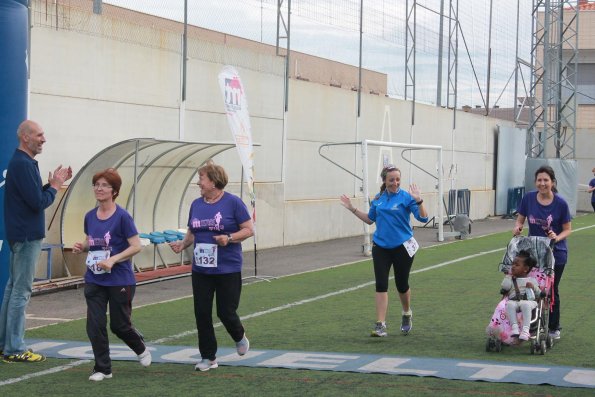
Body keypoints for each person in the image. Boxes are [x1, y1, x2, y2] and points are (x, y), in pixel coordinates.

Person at [169, 160, 254, 371]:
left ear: (214, 182)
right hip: (201, 269)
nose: (198, 183)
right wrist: (182, 244)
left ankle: (239, 336)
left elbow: (249, 230)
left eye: (201, 179)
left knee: (226, 312)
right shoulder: (196, 205)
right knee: (202, 312)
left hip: (228, 268)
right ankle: (208, 357)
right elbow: (192, 230)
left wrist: (229, 238)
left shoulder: (233, 203)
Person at [0, 120, 72, 363]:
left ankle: (6, 344)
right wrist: (54, 187)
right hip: (27, 236)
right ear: (26, 138)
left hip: (20, 234)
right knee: (21, 291)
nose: (44, 139)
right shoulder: (22, 163)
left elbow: (31, 196)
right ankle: (14, 348)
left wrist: (49, 186)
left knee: (13, 289)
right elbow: (38, 203)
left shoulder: (22, 163)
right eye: (39, 135)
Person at [72, 168, 151, 381]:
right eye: (96, 184)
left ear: (114, 191)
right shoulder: (90, 216)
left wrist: (113, 259)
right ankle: (102, 368)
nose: (99, 188)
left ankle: (139, 346)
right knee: (95, 325)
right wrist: (84, 246)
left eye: (105, 185)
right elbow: (92, 240)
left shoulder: (123, 217)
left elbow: (136, 246)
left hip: (120, 279)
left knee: (119, 325)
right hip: (95, 277)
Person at [340, 165, 428, 337]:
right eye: (391, 180)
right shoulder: (378, 198)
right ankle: (380, 324)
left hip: (402, 247)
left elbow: (423, 218)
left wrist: (419, 200)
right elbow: (370, 219)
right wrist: (352, 208)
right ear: (384, 181)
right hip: (380, 247)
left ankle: (406, 313)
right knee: (381, 284)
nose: (395, 183)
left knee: (401, 285)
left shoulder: (406, 197)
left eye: (397, 179)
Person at [513, 165, 571, 340]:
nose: (542, 183)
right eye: (539, 180)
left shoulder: (561, 203)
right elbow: (520, 219)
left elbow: (568, 229)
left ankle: (554, 327)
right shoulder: (529, 198)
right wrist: (518, 228)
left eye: (546, 180)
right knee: (530, 288)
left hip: (556, 253)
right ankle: (531, 325)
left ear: (552, 182)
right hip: (534, 253)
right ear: (535, 182)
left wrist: (556, 238)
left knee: (551, 290)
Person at [501, 250, 540, 341]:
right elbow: (505, 287)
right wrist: (508, 276)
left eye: (517, 265)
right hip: (515, 301)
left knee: (525, 304)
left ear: (525, 269)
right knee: (509, 304)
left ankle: (526, 330)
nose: (513, 266)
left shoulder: (531, 279)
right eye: (513, 264)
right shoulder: (511, 279)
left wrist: (533, 287)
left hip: (529, 302)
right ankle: (515, 328)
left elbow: (539, 294)